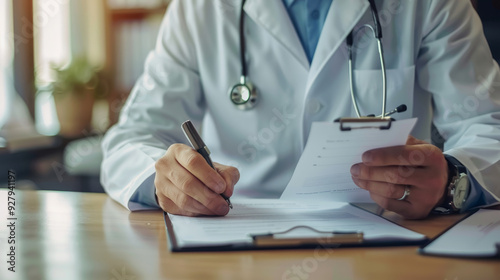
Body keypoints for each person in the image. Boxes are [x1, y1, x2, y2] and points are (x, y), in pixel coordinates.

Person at [101, 0, 500, 219]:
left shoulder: (430, 4)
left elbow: (488, 123)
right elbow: (130, 139)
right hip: (236, 239)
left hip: (389, 233)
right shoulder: (198, 9)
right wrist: (166, 181)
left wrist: (453, 182)